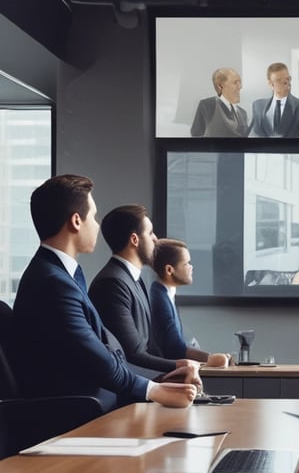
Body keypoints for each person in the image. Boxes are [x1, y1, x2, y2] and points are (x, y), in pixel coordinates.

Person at [12, 175, 198, 411]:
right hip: (82, 412)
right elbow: (97, 360)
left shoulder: (61, 275)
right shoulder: (53, 283)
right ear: (76, 221)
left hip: (97, 402)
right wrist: (155, 390)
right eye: (94, 216)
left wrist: (161, 379)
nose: (97, 225)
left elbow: (111, 351)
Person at [89, 205, 181, 374]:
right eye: (150, 232)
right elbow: (132, 354)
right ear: (134, 239)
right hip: (129, 392)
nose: (156, 239)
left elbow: (149, 347)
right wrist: (182, 366)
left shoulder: (133, 279)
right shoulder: (112, 284)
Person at [150, 238, 230, 366]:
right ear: (169, 270)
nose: (191, 267)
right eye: (186, 263)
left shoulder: (165, 294)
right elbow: (175, 349)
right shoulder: (159, 298)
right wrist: (211, 358)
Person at [249, 62, 299, 137]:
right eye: (279, 80)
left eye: (288, 79)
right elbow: (255, 134)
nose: (286, 83)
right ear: (270, 84)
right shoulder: (258, 106)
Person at [190, 68, 249, 138]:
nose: (240, 87)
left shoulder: (243, 113)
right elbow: (196, 134)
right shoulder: (207, 105)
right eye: (235, 82)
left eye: (240, 82)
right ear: (220, 86)